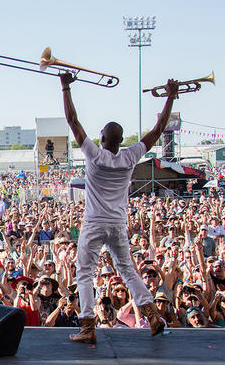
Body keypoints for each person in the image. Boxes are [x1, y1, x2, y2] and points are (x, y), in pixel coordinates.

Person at [61, 72, 179, 344]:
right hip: (117, 223)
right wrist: (170, 97)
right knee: (127, 268)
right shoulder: (130, 155)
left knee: (85, 272)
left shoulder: (95, 154)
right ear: (121, 139)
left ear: (102, 137)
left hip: (93, 222)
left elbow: (73, 121)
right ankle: (151, 316)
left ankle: (88, 326)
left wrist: (66, 87)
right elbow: (159, 129)